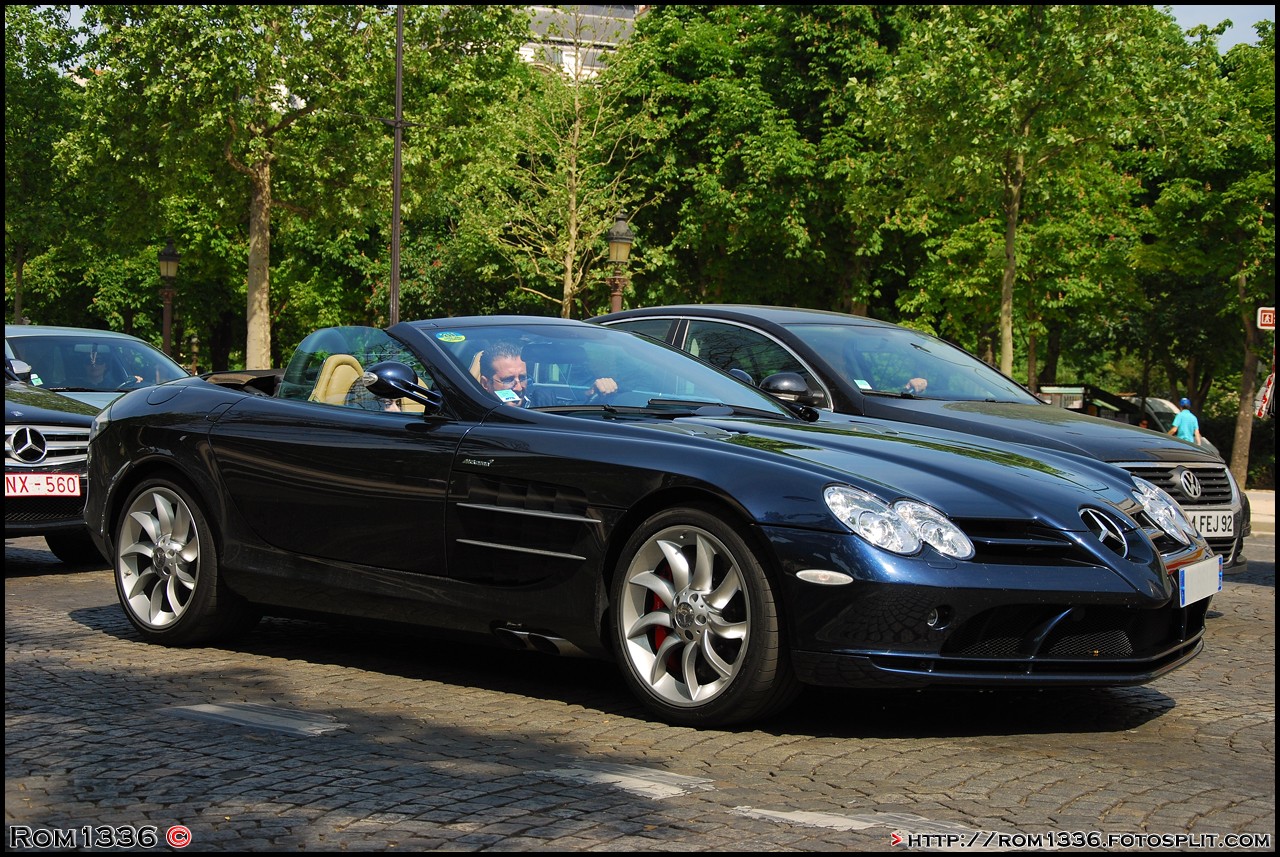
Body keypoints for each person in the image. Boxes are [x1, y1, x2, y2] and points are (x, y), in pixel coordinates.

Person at [477, 341, 617, 408]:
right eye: (508, 380)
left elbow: (573, 414)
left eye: (523, 378)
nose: (519, 388)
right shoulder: (472, 415)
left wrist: (592, 395)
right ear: (485, 384)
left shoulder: (543, 400)